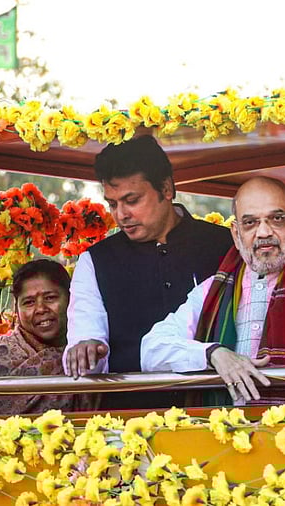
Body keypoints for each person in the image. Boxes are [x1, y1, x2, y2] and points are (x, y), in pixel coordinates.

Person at [140, 167, 285, 405]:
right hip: (232, 438)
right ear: (236, 233)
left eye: (277, 219)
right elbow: (152, 350)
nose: (263, 232)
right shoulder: (213, 289)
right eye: (250, 223)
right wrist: (212, 354)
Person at [63, 135, 234, 409]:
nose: (121, 215)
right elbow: (85, 335)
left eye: (132, 200)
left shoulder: (225, 245)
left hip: (218, 410)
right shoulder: (96, 261)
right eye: (113, 204)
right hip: (128, 422)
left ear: (166, 188)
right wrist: (86, 350)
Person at [0, 259, 96, 415]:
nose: (40, 309)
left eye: (50, 298)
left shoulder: (91, 350)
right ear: (16, 309)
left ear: (71, 299)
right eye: (29, 302)